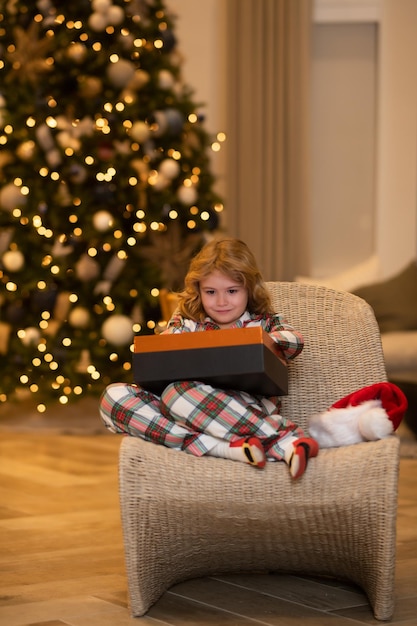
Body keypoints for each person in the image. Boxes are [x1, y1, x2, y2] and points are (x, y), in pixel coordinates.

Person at [99, 237, 319, 478]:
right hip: (185, 406)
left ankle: (284, 439)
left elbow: (295, 341)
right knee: (114, 398)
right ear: (198, 290)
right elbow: (162, 355)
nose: (222, 301)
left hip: (244, 406)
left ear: (249, 289)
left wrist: (263, 340)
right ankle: (226, 448)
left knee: (177, 393)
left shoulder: (264, 321)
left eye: (232, 291)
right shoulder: (188, 322)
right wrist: (169, 340)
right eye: (211, 292)